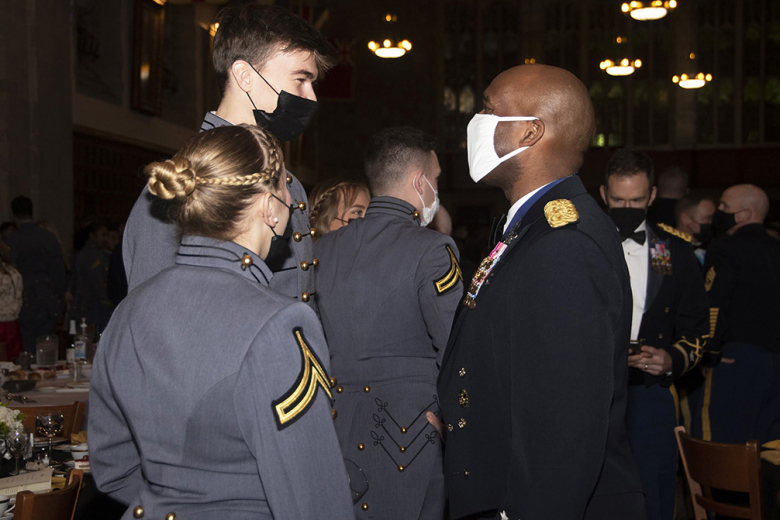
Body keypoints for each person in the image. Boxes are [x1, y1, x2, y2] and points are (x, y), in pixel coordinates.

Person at [89, 125, 354, 519]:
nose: (291, 200)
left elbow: (112, 467)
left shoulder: (129, 311)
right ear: (269, 208)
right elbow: (315, 502)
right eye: (285, 187)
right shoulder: (280, 323)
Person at [434, 64, 644, 520]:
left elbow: (565, 421)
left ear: (530, 132)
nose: (476, 122)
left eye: (489, 109)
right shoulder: (532, 227)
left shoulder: (563, 244)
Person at [122, 4, 336, 312]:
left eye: (312, 83)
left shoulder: (288, 182)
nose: (311, 96)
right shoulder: (185, 183)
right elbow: (152, 315)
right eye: (300, 79)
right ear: (245, 76)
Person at [314, 127, 462, 519]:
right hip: (411, 438)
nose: (436, 188)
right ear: (419, 181)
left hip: (332, 431)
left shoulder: (321, 249)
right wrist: (458, 423)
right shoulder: (433, 249)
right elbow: (458, 350)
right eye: (436, 179)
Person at [600, 149, 709, 520]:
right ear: (603, 194)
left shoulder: (674, 250)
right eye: (618, 200)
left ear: (652, 196)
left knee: (655, 493)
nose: (627, 208)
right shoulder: (585, 245)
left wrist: (672, 358)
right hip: (595, 391)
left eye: (636, 200)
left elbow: (698, 325)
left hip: (651, 392)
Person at [695, 184, 780, 445]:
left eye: (723, 206)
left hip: (736, 359)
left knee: (723, 444)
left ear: (743, 215)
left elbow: (714, 303)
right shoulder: (776, 248)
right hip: (775, 361)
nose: (718, 212)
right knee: (769, 445)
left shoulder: (725, 249)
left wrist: (710, 351)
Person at [5, 196, 68, 353]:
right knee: (46, 352)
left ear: (13, 214)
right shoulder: (49, 238)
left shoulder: (11, 241)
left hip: (22, 305)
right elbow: (59, 274)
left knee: (25, 352)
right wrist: (59, 305)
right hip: (47, 303)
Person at [69, 221, 113, 331]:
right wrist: (108, 300)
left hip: (85, 306)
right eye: (103, 235)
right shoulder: (93, 257)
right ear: (92, 236)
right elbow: (97, 283)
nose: (106, 238)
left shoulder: (85, 254)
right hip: (93, 307)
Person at [675, 195, 716, 265]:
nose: (711, 222)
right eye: (706, 218)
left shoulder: (713, 246)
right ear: (685, 219)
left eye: (713, 218)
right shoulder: (673, 249)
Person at [0, 243, 23, 360]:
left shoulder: (12, 274)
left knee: (11, 358)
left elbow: (18, 297)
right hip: (9, 322)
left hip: (8, 323)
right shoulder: (13, 273)